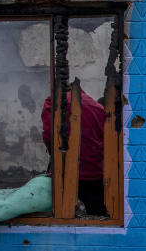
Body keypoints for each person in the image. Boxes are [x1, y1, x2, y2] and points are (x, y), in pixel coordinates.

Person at [41, 86, 108, 216]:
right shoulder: (97, 107)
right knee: (97, 215)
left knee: (62, 215)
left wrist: (55, 157)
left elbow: (49, 135)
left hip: (65, 171)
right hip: (93, 173)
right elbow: (105, 142)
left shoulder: (54, 102)